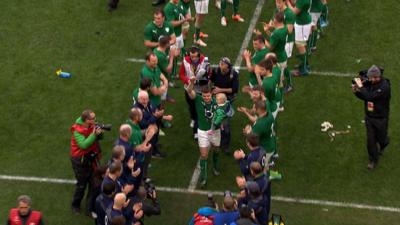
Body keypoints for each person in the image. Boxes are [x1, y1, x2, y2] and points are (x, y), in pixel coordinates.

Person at [352, 65, 391, 170]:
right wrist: (356, 92)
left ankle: (384, 143)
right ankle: (373, 159)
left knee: (382, 139)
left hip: (381, 118)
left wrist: (360, 87)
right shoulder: (370, 84)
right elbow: (366, 98)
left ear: (378, 76)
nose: (371, 79)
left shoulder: (385, 87)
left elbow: (371, 97)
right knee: (370, 141)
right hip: (370, 118)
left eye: (374, 77)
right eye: (370, 77)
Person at [186, 78, 220, 187]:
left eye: (208, 96)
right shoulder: (198, 99)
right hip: (202, 131)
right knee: (204, 155)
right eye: (204, 96)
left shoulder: (217, 102)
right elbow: (189, 91)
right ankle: (204, 178)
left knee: (216, 150)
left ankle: (215, 167)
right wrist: (191, 82)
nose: (206, 98)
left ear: (211, 94)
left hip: (215, 131)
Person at [70, 109, 103, 214]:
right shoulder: (77, 130)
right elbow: (83, 145)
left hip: (91, 157)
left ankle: (89, 207)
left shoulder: (91, 126)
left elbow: (99, 138)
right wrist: (94, 134)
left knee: (94, 183)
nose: (95, 120)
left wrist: (99, 133)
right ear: (86, 120)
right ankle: (75, 205)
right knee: (82, 185)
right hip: (80, 161)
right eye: (93, 118)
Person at [180, 46, 211, 139]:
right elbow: (181, 74)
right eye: (191, 56)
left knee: (199, 109)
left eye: (195, 56)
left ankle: (197, 128)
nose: (193, 58)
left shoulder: (205, 61)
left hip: (200, 90)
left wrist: (198, 81)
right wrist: (188, 81)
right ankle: (193, 118)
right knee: (191, 106)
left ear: (199, 55)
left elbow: (209, 75)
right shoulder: (185, 60)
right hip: (189, 88)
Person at [210, 57, 239, 154]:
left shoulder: (233, 74)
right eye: (220, 62)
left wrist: (220, 90)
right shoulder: (216, 71)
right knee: (213, 120)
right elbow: (211, 81)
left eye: (223, 63)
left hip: (227, 100)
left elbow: (234, 90)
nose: (220, 64)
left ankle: (225, 145)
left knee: (225, 124)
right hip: (216, 99)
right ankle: (213, 140)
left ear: (228, 66)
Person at [287, 0, 312, 76]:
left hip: (302, 24)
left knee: (300, 45)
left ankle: (303, 69)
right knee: (302, 45)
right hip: (304, 21)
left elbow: (293, 12)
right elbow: (297, 4)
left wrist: (287, 2)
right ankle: (305, 64)